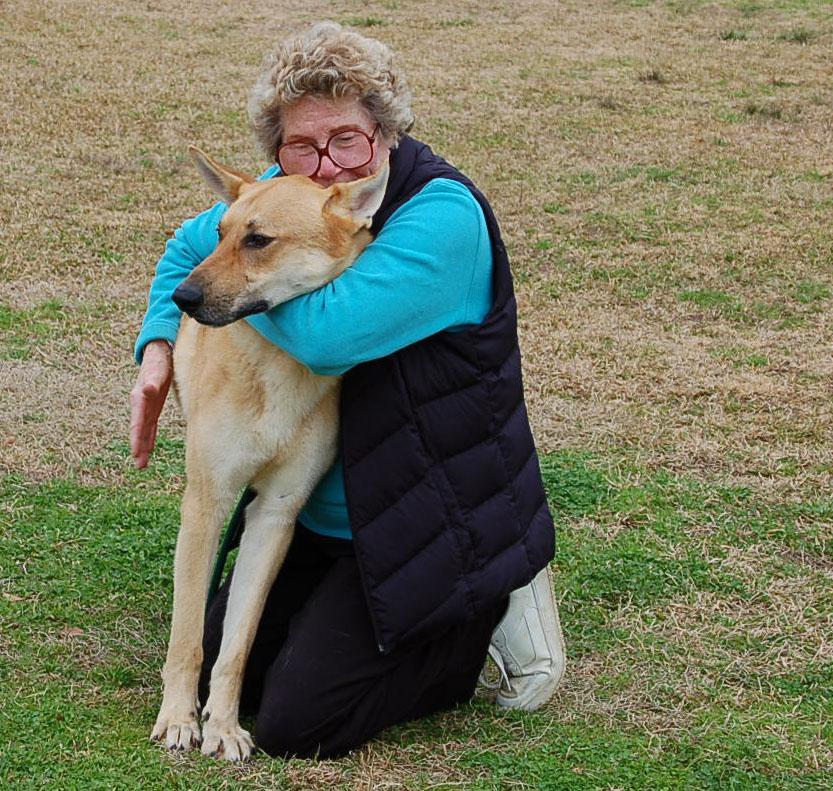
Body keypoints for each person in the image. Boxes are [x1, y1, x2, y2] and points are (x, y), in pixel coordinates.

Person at [130, 21, 565, 759]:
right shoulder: (284, 199)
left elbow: (327, 334)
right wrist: (158, 345)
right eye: (300, 146)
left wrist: (229, 291)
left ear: (385, 135)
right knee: (251, 677)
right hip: (325, 517)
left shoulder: (441, 219)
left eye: (346, 140)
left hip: (427, 518)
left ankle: (483, 617)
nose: (325, 165)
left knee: (299, 724)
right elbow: (188, 253)